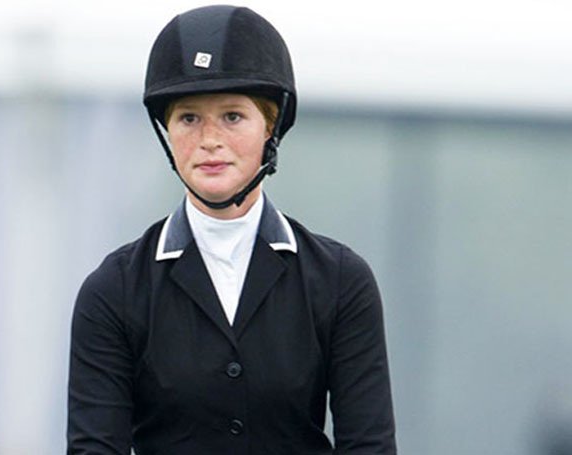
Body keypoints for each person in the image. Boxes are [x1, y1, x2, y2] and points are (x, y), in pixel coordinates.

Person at [67, 5, 396, 454]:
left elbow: (369, 447)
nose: (209, 140)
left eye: (232, 116)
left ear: (270, 128)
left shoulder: (340, 281)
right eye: (189, 118)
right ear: (167, 131)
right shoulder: (114, 290)